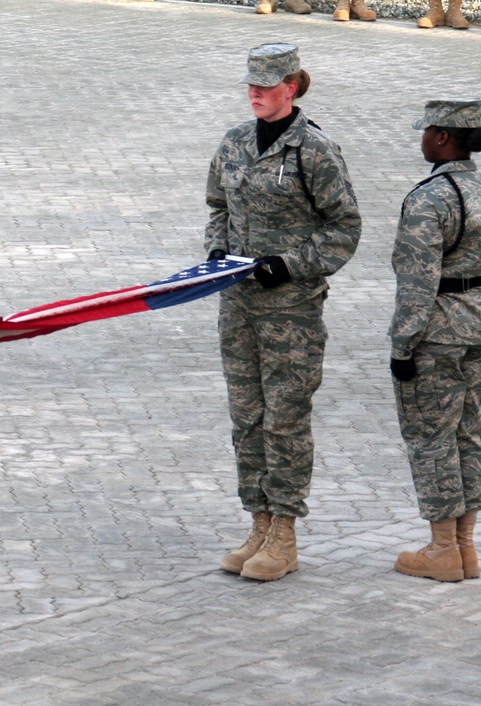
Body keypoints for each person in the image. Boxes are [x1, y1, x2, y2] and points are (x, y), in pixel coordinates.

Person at [205, 43, 361, 582]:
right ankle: (259, 521)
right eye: (250, 84)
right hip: (238, 307)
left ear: (290, 88)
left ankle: (286, 533)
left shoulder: (314, 150)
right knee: (247, 418)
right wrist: (215, 252)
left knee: (285, 418)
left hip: (290, 311)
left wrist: (290, 265)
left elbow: (344, 229)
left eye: (266, 86)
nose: (255, 93)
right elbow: (218, 208)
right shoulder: (233, 143)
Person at [388, 100, 481, 583]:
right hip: (479, 323)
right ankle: (466, 548)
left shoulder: (427, 199)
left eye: (426, 132)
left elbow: (416, 283)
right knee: (468, 433)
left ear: (442, 138)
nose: (420, 139)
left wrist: (402, 346)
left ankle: (442, 550)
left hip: (436, 333)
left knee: (431, 437)